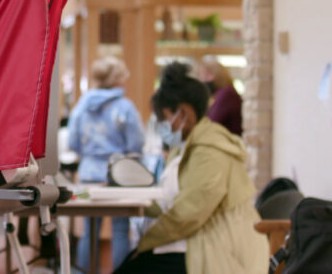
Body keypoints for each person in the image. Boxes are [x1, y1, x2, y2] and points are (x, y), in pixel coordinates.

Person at [115, 62, 268, 274]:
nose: (161, 125)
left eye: (164, 118)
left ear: (184, 113)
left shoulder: (210, 151)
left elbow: (189, 213)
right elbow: (170, 199)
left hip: (217, 249)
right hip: (192, 240)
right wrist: (123, 198)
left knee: (133, 267)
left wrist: (145, 244)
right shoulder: (185, 147)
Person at [68, 56, 144, 270]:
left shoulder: (81, 106)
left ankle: (84, 271)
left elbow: (72, 142)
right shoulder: (125, 107)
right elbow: (137, 143)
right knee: (120, 228)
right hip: (117, 178)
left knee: (89, 230)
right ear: (118, 79)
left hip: (88, 178)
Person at [198, 55, 242, 136]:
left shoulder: (227, 94)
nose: (201, 80)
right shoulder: (222, 94)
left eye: (205, 75)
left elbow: (210, 124)